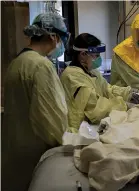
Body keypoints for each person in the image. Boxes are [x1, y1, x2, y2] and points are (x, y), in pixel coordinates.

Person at [2, 13, 69, 191]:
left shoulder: (18, 62)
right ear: (54, 37)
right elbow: (52, 119)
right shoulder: (41, 66)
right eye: (62, 40)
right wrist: (67, 146)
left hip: (14, 152)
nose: (61, 46)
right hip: (34, 155)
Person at [60, 33, 139, 133]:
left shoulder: (92, 72)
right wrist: (124, 105)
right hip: (79, 130)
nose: (99, 59)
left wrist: (128, 93)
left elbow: (107, 89)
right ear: (83, 55)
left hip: (92, 126)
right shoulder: (72, 76)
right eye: (96, 56)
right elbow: (96, 108)